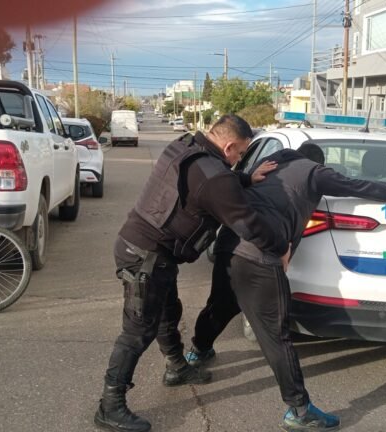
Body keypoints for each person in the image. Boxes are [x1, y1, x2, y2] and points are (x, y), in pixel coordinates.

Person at [186, 143, 386, 431]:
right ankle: (299, 410)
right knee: (276, 335)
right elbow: (358, 186)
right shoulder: (315, 172)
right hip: (262, 254)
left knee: (221, 303)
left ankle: (197, 352)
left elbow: (240, 181)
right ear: (319, 163)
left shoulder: (273, 160)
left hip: (230, 244)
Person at [94, 114, 289, 432]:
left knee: (168, 311)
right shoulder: (217, 176)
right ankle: (110, 406)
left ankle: (176, 367)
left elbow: (206, 182)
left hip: (150, 250)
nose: (239, 159)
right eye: (239, 153)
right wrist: (281, 245)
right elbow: (247, 223)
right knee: (137, 332)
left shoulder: (184, 146)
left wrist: (245, 178)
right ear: (228, 147)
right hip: (146, 256)